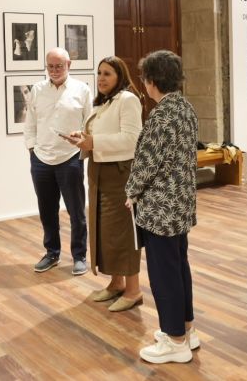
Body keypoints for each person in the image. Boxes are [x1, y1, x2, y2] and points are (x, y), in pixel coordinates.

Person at [125, 50, 200, 364]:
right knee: (178, 268)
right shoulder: (185, 107)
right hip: (181, 204)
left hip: (160, 208)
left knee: (163, 274)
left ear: (151, 81)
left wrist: (131, 191)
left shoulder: (161, 115)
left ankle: (176, 341)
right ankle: (185, 328)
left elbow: (147, 163)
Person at [65, 56, 143, 311]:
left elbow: (132, 140)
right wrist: (84, 138)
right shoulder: (102, 103)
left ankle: (133, 291)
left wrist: (94, 142)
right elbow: (101, 135)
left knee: (122, 233)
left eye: (107, 73)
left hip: (119, 174)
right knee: (105, 231)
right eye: (99, 73)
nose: (101, 78)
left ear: (120, 76)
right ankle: (116, 283)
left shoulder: (128, 100)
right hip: (99, 172)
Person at [24, 48, 93, 275]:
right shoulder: (37, 90)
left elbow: (89, 123)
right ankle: (52, 253)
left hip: (70, 157)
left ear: (69, 65)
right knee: (47, 210)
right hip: (41, 158)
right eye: (50, 66)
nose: (54, 71)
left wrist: (82, 139)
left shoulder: (82, 90)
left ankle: (79, 256)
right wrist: (32, 148)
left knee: (76, 210)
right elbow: (31, 122)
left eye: (59, 66)